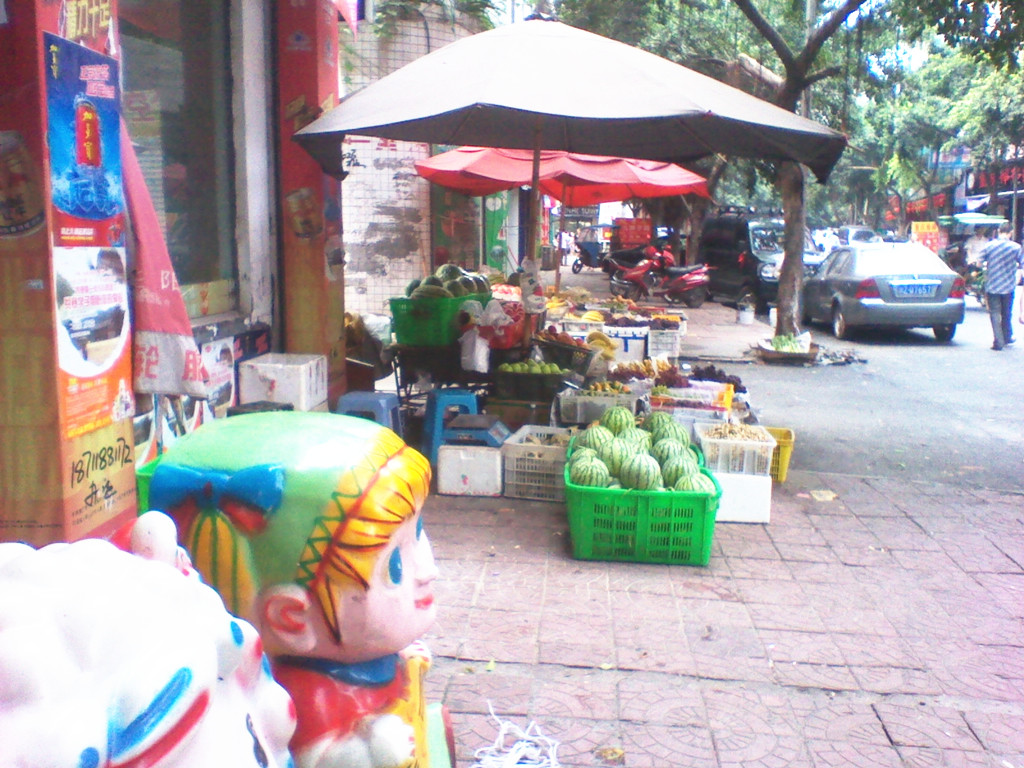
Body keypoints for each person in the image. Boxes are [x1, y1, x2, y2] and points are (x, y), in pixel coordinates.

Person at [146, 412, 441, 768]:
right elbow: (315, 758)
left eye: (418, 531)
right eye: (394, 564)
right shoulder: (307, 694)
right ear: (292, 619)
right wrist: (372, 751)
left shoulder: (369, 659)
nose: (429, 570)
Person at [977, 222, 1024, 350]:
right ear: (1011, 233)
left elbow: (979, 263)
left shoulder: (989, 246)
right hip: (1008, 285)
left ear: (998, 231)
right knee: (1006, 313)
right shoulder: (1016, 247)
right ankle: (1006, 336)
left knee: (994, 313)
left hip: (992, 285)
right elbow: (1022, 264)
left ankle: (999, 340)